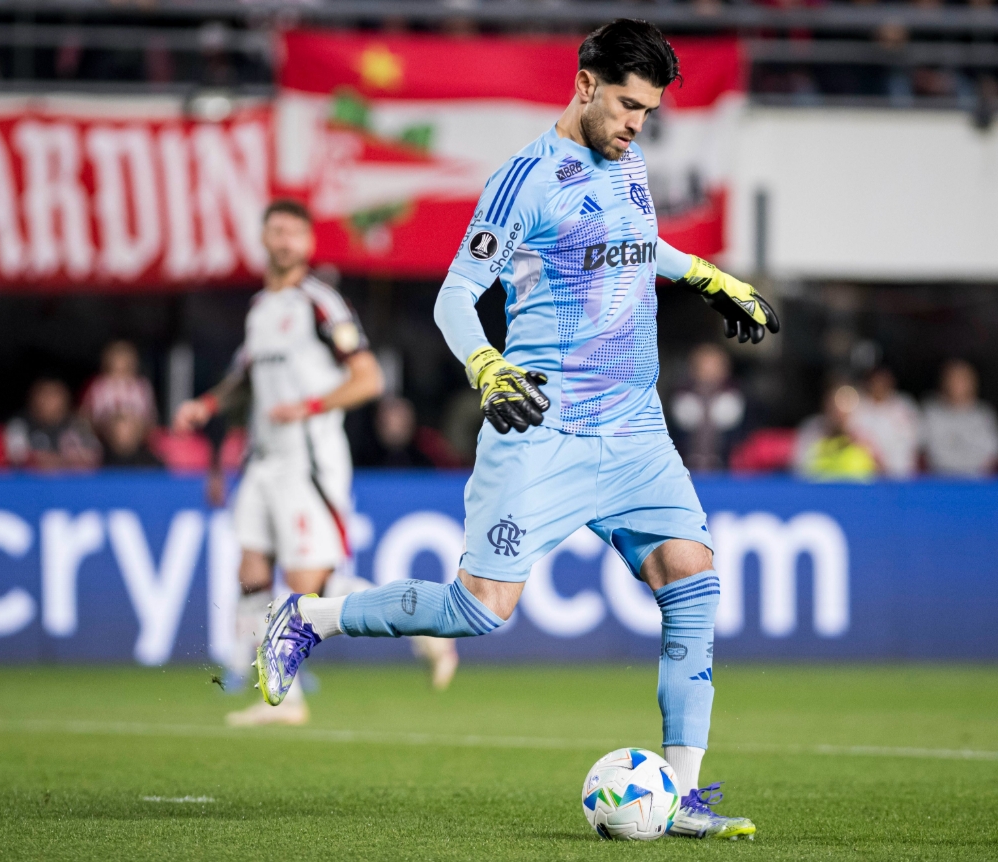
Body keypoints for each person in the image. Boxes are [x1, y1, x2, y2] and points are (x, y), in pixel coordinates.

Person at [251, 21, 777, 840]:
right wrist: (488, 367)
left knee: (693, 579)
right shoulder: (525, 180)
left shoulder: (626, 157)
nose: (638, 124)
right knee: (480, 611)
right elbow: (454, 296)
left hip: (635, 425)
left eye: (649, 111)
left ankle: (679, 794)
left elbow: (634, 244)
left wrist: (706, 274)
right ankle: (309, 619)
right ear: (585, 84)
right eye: (628, 106)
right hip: (542, 421)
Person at [173, 199, 387, 726]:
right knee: (250, 575)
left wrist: (310, 406)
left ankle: (413, 618)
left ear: (309, 244)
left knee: (304, 587)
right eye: (277, 231)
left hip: (309, 461)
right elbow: (244, 378)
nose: (285, 240)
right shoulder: (259, 309)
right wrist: (207, 404)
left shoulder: (320, 302)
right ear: (264, 239)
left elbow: (369, 378)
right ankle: (279, 698)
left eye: (295, 232)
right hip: (263, 460)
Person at [669, 343, 746, 471]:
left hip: (729, 474)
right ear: (693, 369)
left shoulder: (740, 399)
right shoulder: (678, 398)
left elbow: (747, 442)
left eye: (714, 366)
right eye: (704, 366)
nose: (709, 371)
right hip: (684, 471)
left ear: (725, 369)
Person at [922, 359, 998, 477]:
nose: (958, 384)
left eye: (963, 379)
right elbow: (930, 452)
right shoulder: (931, 412)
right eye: (953, 379)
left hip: (978, 483)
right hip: (940, 482)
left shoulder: (984, 413)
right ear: (944, 382)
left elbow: (995, 451)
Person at [4, 378, 99, 471]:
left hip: (70, 484)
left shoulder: (78, 424)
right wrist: (62, 460)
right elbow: (16, 456)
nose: (47, 400)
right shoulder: (19, 424)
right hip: (28, 484)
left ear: (65, 398)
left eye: (53, 395)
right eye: (43, 394)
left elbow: (92, 456)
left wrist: (56, 461)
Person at [793, 384, 878, 482]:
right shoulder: (811, 432)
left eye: (847, 405)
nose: (840, 415)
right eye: (835, 408)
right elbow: (798, 471)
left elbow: (884, 474)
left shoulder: (867, 437)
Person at [849, 366, 920, 478]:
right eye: (876, 381)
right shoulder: (857, 408)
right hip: (869, 478)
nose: (880, 385)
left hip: (902, 476)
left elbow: (914, 443)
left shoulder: (905, 405)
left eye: (884, 380)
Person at [79, 340, 156, 431]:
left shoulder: (142, 386)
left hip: (137, 434)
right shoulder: (98, 386)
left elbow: (150, 417)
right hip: (103, 434)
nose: (120, 367)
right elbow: (85, 416)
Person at [98, 410, 162, 468]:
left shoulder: (151, 465)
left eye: (127, 430)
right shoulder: (97, 463)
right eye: (119, 431)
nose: (123, 436)